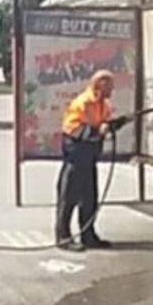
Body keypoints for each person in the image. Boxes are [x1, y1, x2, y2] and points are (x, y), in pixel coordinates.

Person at [54, 70, 127, 251]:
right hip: (75, 157)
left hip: (89, 158)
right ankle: (63, 237)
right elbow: (71, 129)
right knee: (68, 198)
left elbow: (102, 124)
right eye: (109, 85)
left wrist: (113, 125)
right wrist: (96, 132)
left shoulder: (104, 104)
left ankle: (88, 235)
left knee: (89, 198)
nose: (113, 89)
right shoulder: (83, 102)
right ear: (100, 84)